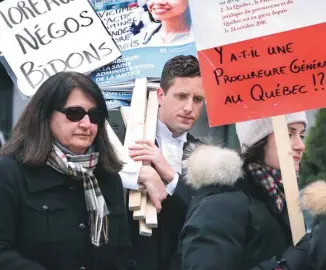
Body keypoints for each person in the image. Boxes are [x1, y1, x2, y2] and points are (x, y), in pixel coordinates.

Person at [0, 72, 135, 270]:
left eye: (95, 115)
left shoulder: (108, 177)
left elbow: (122, 256)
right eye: (74, 114)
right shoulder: (11, 173)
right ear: (46, 115)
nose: (86, 124)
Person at [180, 112, 312, 270]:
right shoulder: (220, 206)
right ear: (259, 140)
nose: (300, 145)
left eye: (302, 135)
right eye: (289, 134)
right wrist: (286, 265)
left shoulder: (282, 202)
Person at [120, 55, 205, 270]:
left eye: (197, 99)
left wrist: (171, 176)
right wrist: (141, 175)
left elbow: (205, 213)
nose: (189, 108)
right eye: (181, 96)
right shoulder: (126, 134)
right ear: (160, 95)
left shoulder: (206, 154)